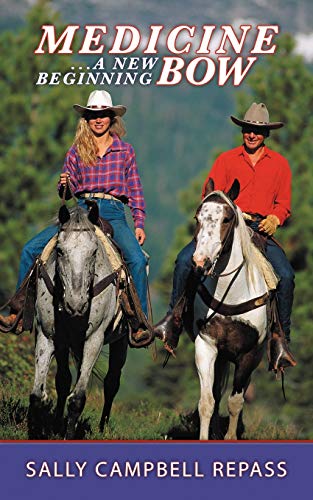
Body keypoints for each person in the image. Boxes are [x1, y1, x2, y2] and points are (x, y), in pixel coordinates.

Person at [0, 90, 150, 342]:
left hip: (113, 212)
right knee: (30, 249)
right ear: (87, 119)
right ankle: (17, 312)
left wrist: (139, 223)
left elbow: (135, 189)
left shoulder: (125, 151)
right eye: (93, 115)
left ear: (112, 117)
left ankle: (139, 323)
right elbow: (67, 191)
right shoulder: (76, 151)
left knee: (135, 258)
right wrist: (64, 185)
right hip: (79, 211)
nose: (98, 119)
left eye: (103, 115)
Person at [154, 102, 295, 363]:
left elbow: (284, 203)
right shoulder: (226, 159)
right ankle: (172, 320)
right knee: (185, 261)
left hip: (258, 230)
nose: (252, 134)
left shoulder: (279, 165)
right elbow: (208, 195)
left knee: (285, 275)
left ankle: (280, 338)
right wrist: (221, 215)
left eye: (257, 131)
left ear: (266, 135)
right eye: (247, 129)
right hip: (225, 226)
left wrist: (276, 217)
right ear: (243, 131)